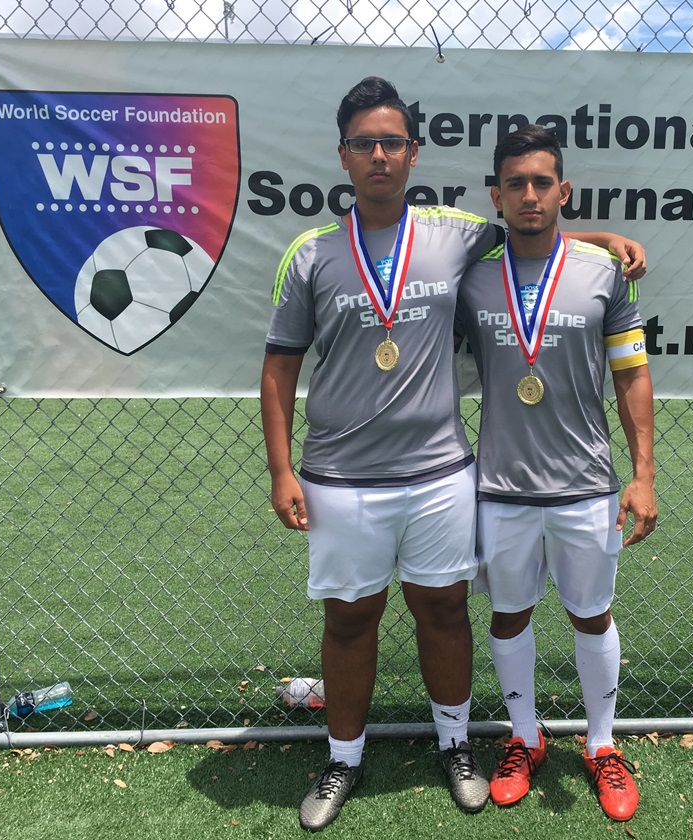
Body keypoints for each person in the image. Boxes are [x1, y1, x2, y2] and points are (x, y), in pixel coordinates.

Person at [260, 77, 646, 832]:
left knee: (443, 613)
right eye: (365, 142)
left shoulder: (453, 232)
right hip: (339, 475)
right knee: (348, 621)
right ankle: (343, 757)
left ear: (413, 153)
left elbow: (535, 231)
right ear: (343, 155)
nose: (379, 155)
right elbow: (279, 366)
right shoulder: (310, 254)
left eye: (392, 142)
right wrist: (280, 469)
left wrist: (603, 239)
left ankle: (456, 745)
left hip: (442, 473)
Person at [455, 125, 657, 822]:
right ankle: (524, 737)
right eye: (517, 184)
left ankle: (602, 745)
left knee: (590, 613)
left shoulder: (605, 273)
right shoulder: (472, 273)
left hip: (586, 485)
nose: (530, 195)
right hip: (502, 488)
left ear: (562, 191)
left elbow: (632, 372)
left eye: (543, 183)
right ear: (497, 195)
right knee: (509, 615)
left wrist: (644, 474)